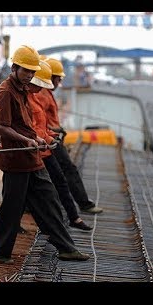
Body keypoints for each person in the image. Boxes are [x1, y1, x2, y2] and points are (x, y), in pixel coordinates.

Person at [0, 45, 90, 264]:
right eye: (26, 70)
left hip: (32, 157)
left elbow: (28, 125)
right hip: (16, 159)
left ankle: (66, 248)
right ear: (15, 67)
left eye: (32, 72)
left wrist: (39, 138)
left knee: (49, 201)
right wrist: (27, 140)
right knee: (11, 209)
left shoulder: (23, 90)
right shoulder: (6, 92)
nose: (29, 75)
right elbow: (1, 127)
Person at [27, 60, 92, 231]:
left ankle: (72, 218)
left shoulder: (39, 94)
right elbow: (33, 127)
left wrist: (52, 134)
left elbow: (41, 124)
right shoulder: (37, 95)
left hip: (47, 145)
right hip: (40, 149)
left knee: (55, 183)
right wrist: (50, 136)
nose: (58, 83)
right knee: (52, 186)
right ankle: (68, 221)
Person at [40, 57, 103, 214]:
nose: (58, 83)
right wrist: (56, 131)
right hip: (49, 140)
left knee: (58, 175)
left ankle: (70, 209)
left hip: (51, 138)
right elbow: (38, 122)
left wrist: (57, 129)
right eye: (58, 79)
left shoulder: (46, 93)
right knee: (68, 171)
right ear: (50, 77)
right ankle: (82, 205)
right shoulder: (42, 94)